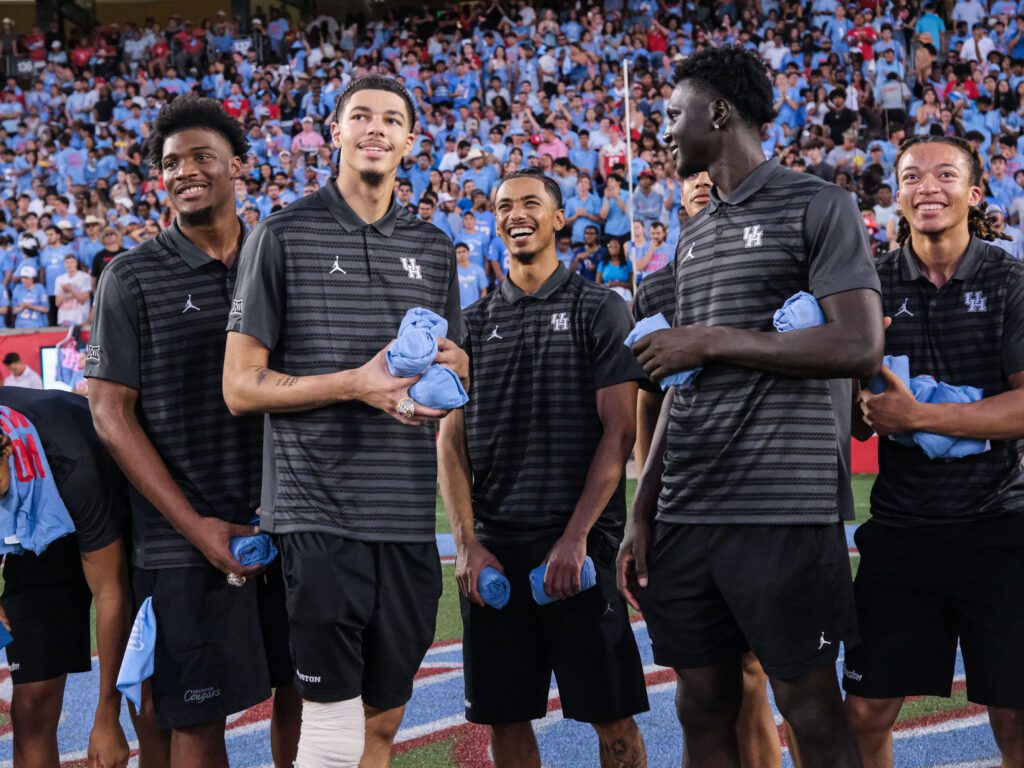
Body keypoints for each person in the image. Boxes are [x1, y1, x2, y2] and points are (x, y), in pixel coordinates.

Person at [617, 46, 883, 768]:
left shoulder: (818, 204)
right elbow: (684, 382)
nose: (665, 130)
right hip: (688, 513)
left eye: (674, 114)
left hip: (784, 512)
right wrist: (645, 510)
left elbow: (859, 345)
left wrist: (707, 339)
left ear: (720, 111)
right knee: (700, 706)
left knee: (811, 711)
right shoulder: (695, 232)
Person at [222, 75, 467, 768]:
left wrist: (454, 377)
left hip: (408, 519)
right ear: (334, 132)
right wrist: (356, 383)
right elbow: (239, 387)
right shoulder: (283, 233)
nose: (375, 128)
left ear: (411, 142)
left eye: (392, 119)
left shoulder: (433, 244)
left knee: (383, 724)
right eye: (360, 115)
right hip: (317, 513)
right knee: (331, 730)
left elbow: (452, 368)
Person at [85, 96, 300, 768]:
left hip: (293, 527)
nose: (184, 170)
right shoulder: (129, 277)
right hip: (180, 543)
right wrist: (195, 525)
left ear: (237, 166)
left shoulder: (283, 259)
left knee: (307, 696)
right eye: (171, 162)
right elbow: (109, 414)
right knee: (194, 720)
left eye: (201, 156)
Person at [438, 169, 649, 768]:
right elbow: (449, 443)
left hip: (580, 545)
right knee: (505, 718)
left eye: (531, 202)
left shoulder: (599, 308)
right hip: (498, 548)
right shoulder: (470, 324)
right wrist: (467, 545)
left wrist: (577, 536)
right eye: (504, 205)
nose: (515, 213)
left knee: (611, 718)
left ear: (560, 219)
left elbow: (620, 430)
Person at [845, 135, 1024, 768]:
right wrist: (852, 394)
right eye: (912, 176)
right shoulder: (865, 288)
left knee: (1015, 713)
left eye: (946, 174)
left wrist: (918, 415)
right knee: (864, 712)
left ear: (974, 194)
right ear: (896, 195)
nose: (928, 186)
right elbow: (858, 425)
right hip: (901, 527)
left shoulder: (1011, 279)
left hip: (1001, 527)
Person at [0, 388, 132, 768]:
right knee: (30, 708)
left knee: (148, 700)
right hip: (37, 514)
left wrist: (108, 715)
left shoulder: (75, 461)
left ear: (7, 451)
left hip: (108, 499)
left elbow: (111, 592)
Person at [54, 254, 91, 326]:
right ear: (64, 264)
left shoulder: (84, 277)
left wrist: (71, 289)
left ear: (76, 263)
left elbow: (83, 300)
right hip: (63, 318)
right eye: (67, 262)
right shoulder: (59, 279)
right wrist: (64, 292)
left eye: (71, 262)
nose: (69, 265)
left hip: (79, 318)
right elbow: (57, 303)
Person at [456, 241, 488, 309]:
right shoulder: (453, 271)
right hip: (457, 309)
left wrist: (481, 306)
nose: (462, 254)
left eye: (464, 251)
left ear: (469, 253)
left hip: (474, 308)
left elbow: (483, 291)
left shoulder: (479, 269)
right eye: (458, 252)